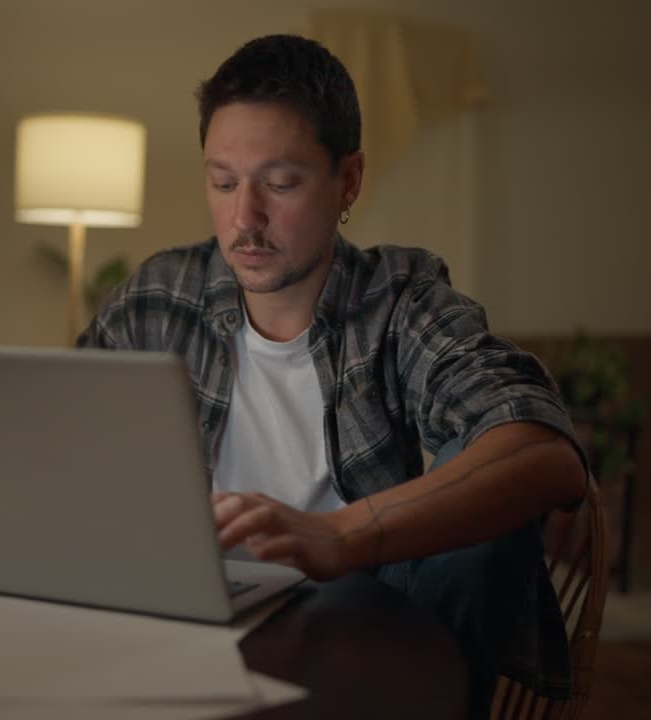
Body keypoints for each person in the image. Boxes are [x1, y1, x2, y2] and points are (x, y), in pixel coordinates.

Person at [78, 33, 587, 719]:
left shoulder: (401, 298)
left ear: (348, 181)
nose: (244, 219)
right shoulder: (161, 295)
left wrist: (340, 536)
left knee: (494, 511)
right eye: (222, 182)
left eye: (280, 183)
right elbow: (62, 443)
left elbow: (545, 454)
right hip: (196, 620)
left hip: (368, 620)